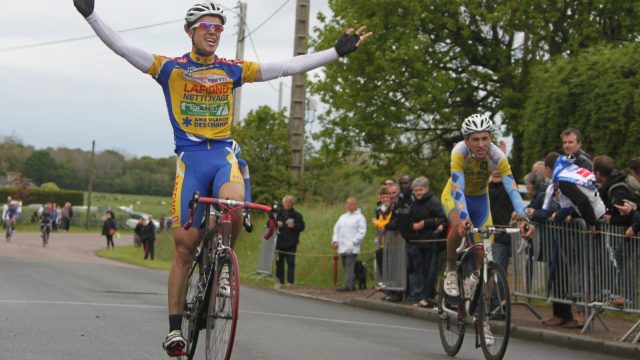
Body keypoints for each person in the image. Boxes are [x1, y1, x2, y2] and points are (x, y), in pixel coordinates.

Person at [73, 0, 372, 354]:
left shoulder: (231, 70)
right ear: (190, 32)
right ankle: (174, 329)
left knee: (234, 207)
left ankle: (225, 267)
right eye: (206, 26)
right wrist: (90, 14)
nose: (214, 32)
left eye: (219, 27)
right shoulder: (170, 69)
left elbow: (286, 67)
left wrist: (334, 52)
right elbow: (123, 48)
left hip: (222, 157)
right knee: (184, 249)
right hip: (191, 162)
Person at [441, 114, 533, 297]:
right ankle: (451, 269)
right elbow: (458, 188)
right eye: (475, 139)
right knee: (459, 226)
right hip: (455, 197)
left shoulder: (497, 155)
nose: (481, 144)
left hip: (480, 200)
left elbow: (512, 188)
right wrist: (464, 218)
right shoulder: (459, 152)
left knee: (485, 258)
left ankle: (484, 316)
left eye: (485, 138)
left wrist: (523, 217)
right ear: (466, 140)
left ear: (491, 137)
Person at [541, 152, 605, 328]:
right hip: (594, 212)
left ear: (550, 169)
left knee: (587, 270)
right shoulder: (569, 172)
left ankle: (587, 312)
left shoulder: (563, 178)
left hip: (595, 216)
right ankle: (580, 312)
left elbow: (582, 201)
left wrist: (591, 224)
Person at [402, 177, 446, 308]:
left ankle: (428, 298)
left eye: (420, 190)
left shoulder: (433, 202)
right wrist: (413, 225)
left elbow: (443, 219)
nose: (418, 193)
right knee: (420, 271)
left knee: (430, 271)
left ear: (426, 189)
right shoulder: (415, 203)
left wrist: (425, 223)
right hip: (419, 241)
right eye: (415, 190)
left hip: (432, 242)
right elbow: (410, 219)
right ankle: (421, 297)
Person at [332, 197, 367, 292]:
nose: (351, 206)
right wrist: (335, 241)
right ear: (346, 206)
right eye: (349, 204)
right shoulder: (342, 217)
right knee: (345, 265)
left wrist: (354, 242)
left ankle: (348, 285)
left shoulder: (360, 217)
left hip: (352, 247)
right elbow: (336, 229)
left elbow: (362, 231)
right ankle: (351, 284)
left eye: (353, 204)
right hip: (342, 246)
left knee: (349, 265)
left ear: (356, 205)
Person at [274, 195, 305, 285]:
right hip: (279, 243)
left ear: (292, 204)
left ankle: (290, 282)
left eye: (290, 202)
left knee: (291, 263)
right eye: (286, 202)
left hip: (291, 244)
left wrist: (294, 226)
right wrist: (276, 224)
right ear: (283, 203)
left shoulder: (297, 215)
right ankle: (280, 281)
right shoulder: (277, 214)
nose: (288, 204)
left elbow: (302, 227)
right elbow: (269, 224)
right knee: (279, 263)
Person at [488, 171, 515, 272]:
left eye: (499, 168)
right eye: (493, 168)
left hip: (501, 237)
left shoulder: (510, 188)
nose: (496, 171)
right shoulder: (485, 188)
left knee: (498, 272)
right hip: (484, 235)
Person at [372, 186, 393, 280]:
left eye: (387, 197)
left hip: (392, 242)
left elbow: (389, 222)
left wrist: (378, 223)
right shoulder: (379, 210)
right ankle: (383, 279)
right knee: (379, 255)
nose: (385, 199)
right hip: (382, 242)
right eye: (383, 197)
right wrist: (379, 224)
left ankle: (390, 280)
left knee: (390, 263)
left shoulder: (393, 208)